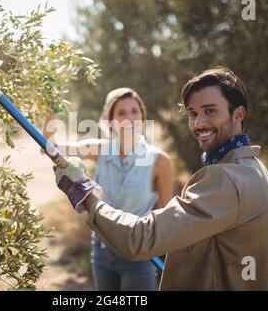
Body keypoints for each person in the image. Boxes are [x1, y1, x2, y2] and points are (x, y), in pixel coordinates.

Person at [53, 67, 268, 290]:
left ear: (238, 114)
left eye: (210, 111)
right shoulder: (261, 175)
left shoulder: (225, 178)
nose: (198, 123)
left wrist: (85, 194)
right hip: (102, 254)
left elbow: (140, 237)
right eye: (193, 114)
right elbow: (267, 249)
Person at [43, 88, 174, 291]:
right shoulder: (100, 149)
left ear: (142, 116)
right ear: (110, 120)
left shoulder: (160, 161)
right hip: (102, 252)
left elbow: (167, 218)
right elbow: (49, 147)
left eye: (134, 111)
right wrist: (51, 105)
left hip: (139, 255)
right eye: (121, 113)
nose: (129, 118)